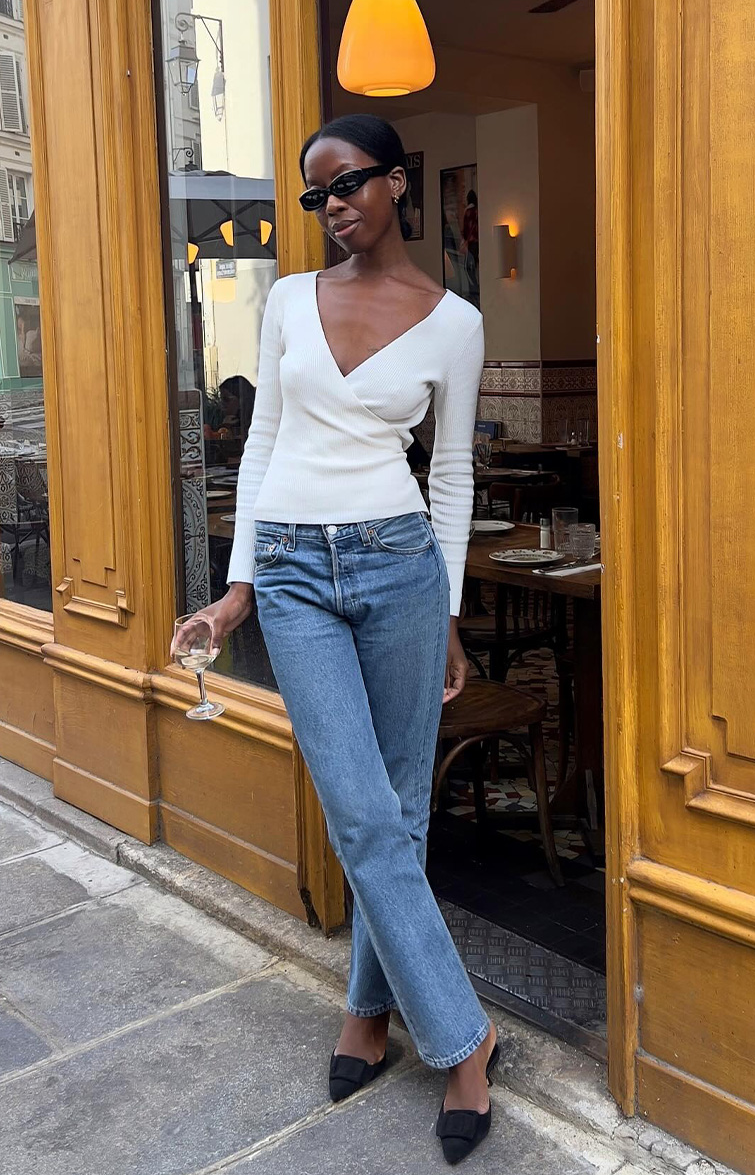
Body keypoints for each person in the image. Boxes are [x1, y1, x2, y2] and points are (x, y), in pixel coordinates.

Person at [172, 113, 498, 1165]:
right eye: (316, 197)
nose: (334, 207)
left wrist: (446, 609)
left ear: (398, 184)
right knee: (359, 809)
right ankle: (464, 1033)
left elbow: (449, 475)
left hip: (402, 565)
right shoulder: (285, 301)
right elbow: (264, 442)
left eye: (349, 184)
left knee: (400, 806)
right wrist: (237, 594)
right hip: (300, 574)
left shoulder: (454, 322)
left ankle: (368, 1010)